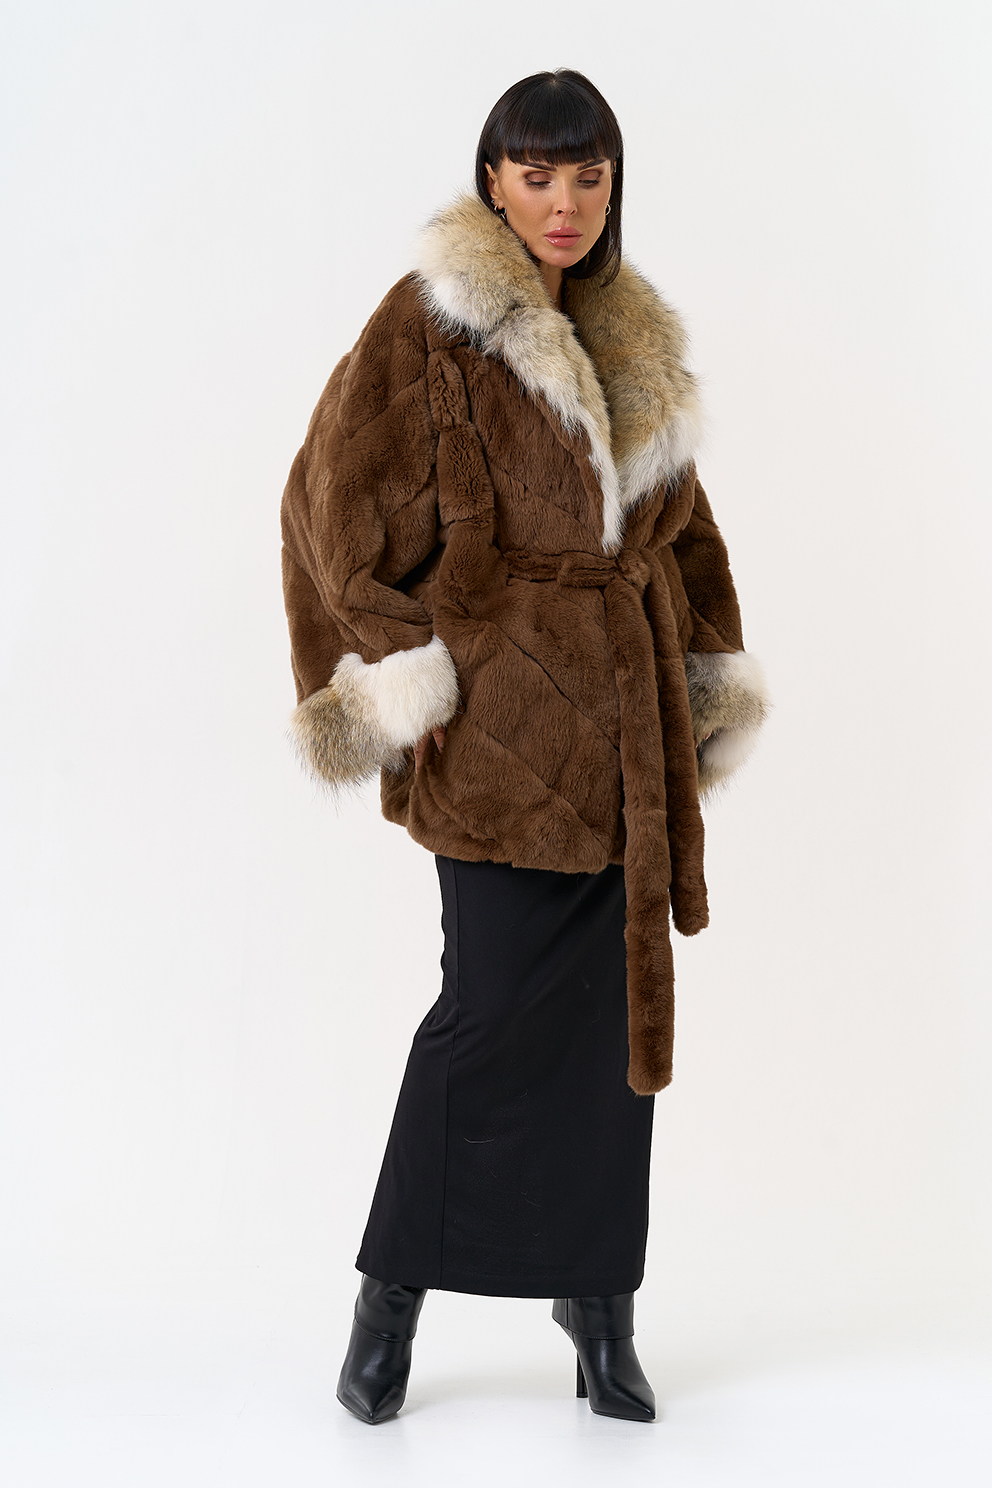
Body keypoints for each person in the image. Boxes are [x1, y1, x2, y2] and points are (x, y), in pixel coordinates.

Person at [280, 69, 768, 1425]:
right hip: (499, 742)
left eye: (587, 176)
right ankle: (389, 1302)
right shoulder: (433, 319)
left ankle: (598, 1308)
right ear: (492, 178)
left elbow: (688, 534)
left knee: (610, 1029)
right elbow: (324, 510)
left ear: (613, 186)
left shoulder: (632, 335)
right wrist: (422, 669)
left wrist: (705, 680)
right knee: (483, 1022)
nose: (564, 202)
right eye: (537, 174)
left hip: (626, 747)